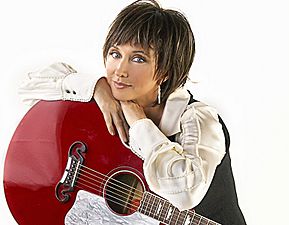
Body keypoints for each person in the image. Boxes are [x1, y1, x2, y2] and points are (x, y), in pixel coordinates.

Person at [19, 0, 246, 224]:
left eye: (138, 59)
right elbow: (26, 88)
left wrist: (139, 124)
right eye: (115, 54)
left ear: (166, 71)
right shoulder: (102, 100)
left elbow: (185, 192)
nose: (120, 70)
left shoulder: (196, 119)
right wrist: (96, 88)